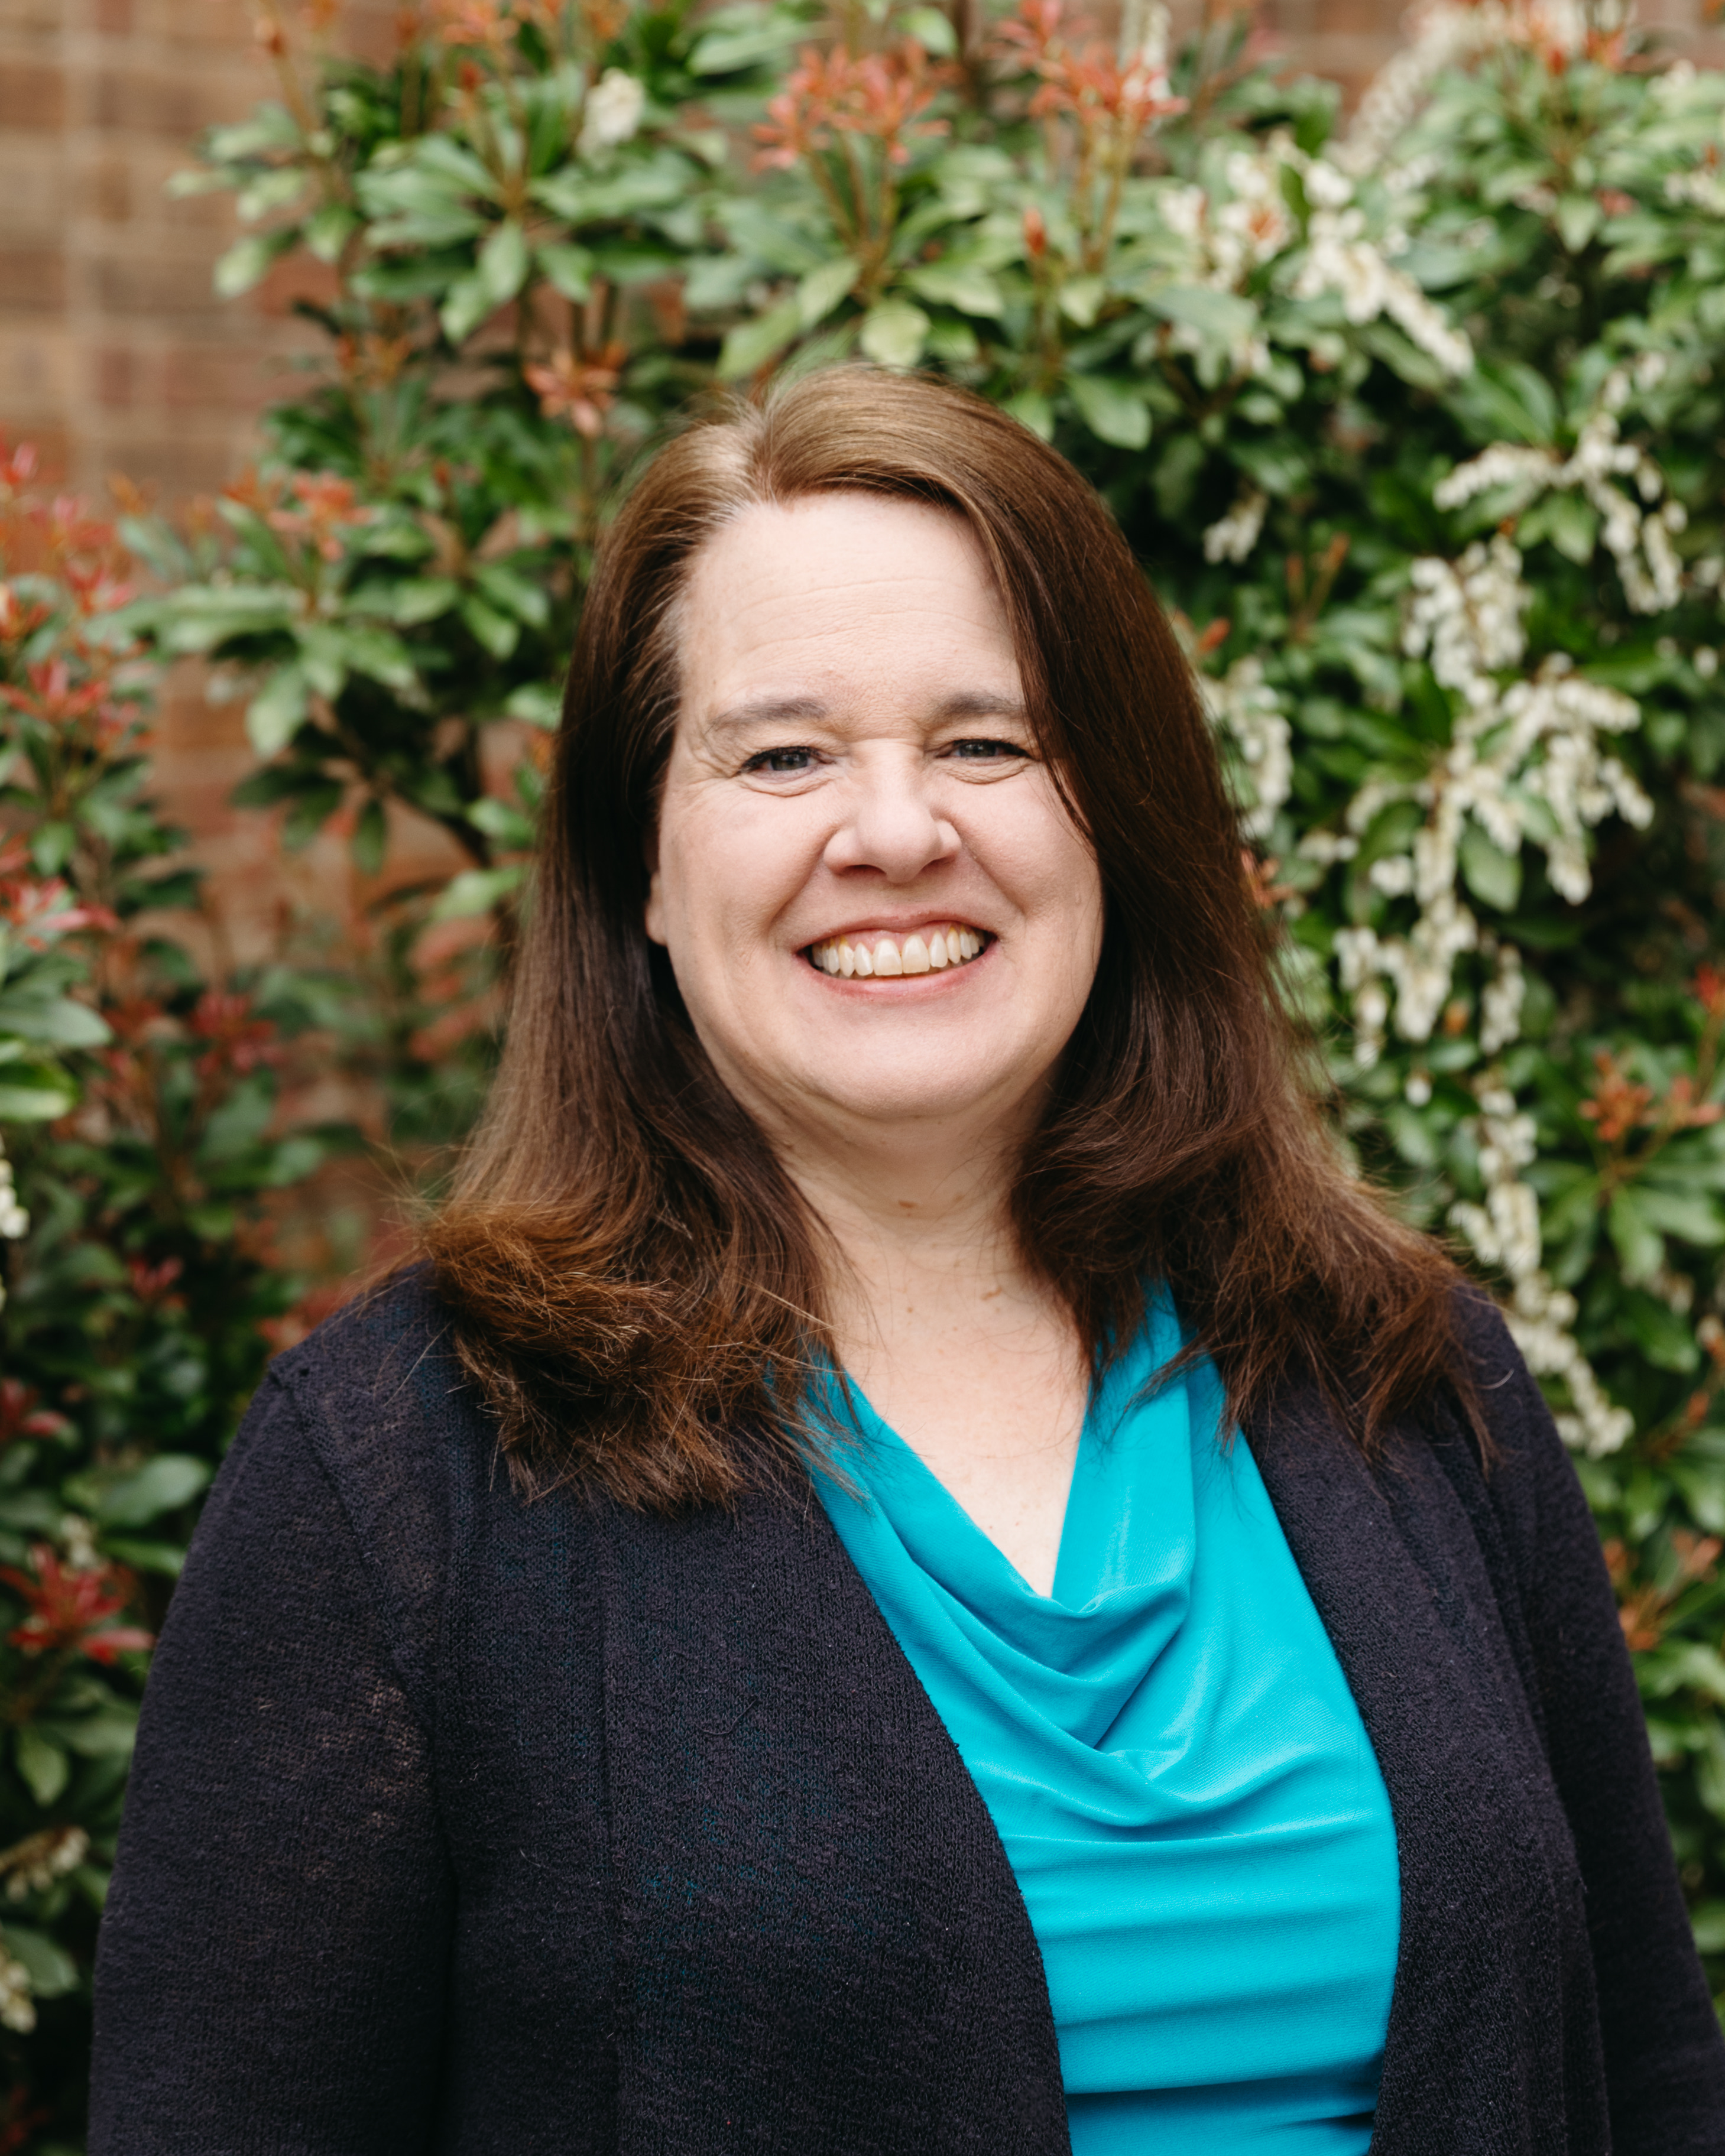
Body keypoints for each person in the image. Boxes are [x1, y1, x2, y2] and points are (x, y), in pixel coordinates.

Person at [90, 366, 1725, 2155]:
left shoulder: (1403, 1375)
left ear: (1121, 820)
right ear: (644, 868)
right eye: (782, 755)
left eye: (987, 743)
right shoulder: (404, 1471)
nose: (893, 832)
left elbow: (1648, 2077)